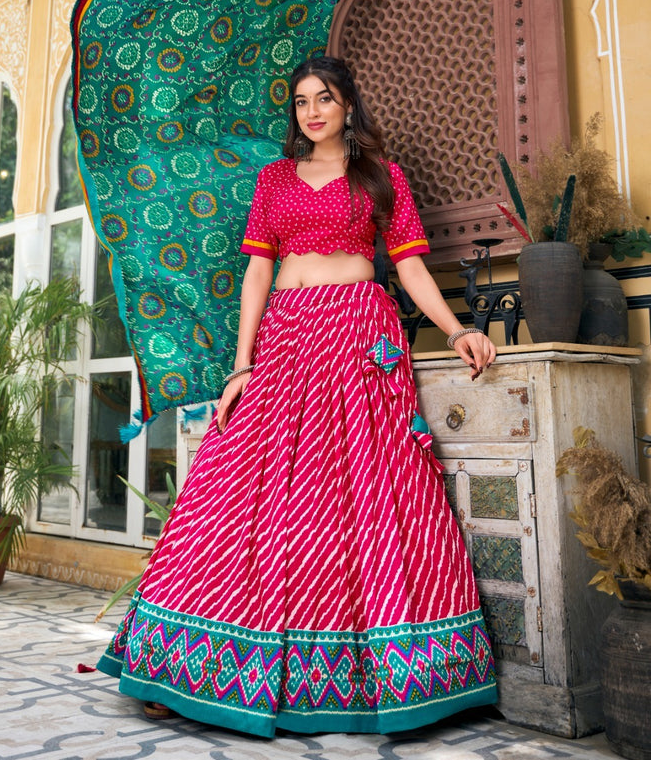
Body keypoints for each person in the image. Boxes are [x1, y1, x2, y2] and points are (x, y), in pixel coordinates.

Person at [97, 56, 498, 738]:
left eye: (326, 98)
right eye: (302, 101)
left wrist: (458, 327)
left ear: (348, 105)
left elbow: (407, 265)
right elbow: (258, 271)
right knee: (238, 487)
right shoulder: (274, 179)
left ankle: (388, 676)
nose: (312, 111)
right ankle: (184, 665)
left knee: (362, 491)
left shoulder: (382, 176)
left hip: (357, 335)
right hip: (285, 335)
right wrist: (239, 366)